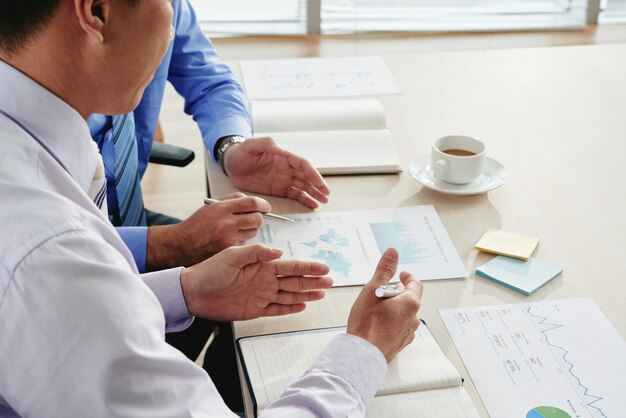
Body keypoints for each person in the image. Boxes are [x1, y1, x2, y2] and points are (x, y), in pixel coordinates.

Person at [0, 0, 424, 416]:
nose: (171, 31)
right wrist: (364, 350)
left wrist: (186, 291)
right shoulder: (51, 255)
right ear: (96, 12)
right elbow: (70, 297)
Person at [86, 1, 332, 407]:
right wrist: (173, 243)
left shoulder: (162, 6)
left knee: (258, 300)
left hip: (128, 221)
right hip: (89, 272)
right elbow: (47, 244)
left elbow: (210, 79)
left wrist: (230, 145)